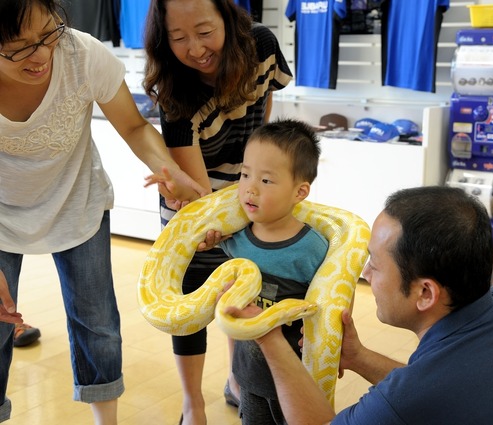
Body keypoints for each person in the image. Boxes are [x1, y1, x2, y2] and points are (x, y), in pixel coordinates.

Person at [227, 186, 493, 424]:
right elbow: (445, 391)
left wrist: (268, 337)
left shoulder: (415, 394)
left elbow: (422, 391)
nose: (366, 273)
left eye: (375, 263)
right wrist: (357, 357)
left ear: (426, 293)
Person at [0, 0, 208, 423]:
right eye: (18, 48)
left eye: (47, 34)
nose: (40, 55)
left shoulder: (82, 53)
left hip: (77, 200)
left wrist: (166, 169)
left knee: (98, 326)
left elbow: (133, 126)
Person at [142, 1, 292, 423]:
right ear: (163, 39)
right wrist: (215, 221)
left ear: (227, 18)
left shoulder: (262, 44)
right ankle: (193, 403)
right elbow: (199, 193)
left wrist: (257, 177)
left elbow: (263, 116)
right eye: (178, 38)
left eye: (204, 31)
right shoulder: (176, 91)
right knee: (190, 303)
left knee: (238, 285)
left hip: (246, 192)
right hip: (192, 201)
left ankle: (236, 381)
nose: (195, 48)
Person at [218, 118, 328, 424]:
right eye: (244, 174)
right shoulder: (236, 240)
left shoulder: (312, 249)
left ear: (299, 192)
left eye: (266, 181)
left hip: (296, 377)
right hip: (250, 374)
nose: (250, 188)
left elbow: (335, 303)